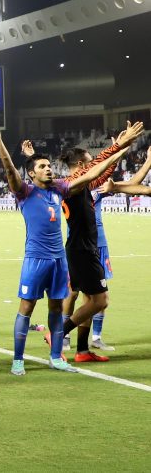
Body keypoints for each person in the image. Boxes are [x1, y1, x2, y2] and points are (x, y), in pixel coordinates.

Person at [0, 117, 133, 376]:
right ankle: (18, 359)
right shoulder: (24, 192)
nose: (48, 169)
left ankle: (56, 356)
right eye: (42, 166)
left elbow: (91, 173)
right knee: (27, 308)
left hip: (59, 260)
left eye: (49, 165)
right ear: (32, 174)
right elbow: (9, 168)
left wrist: (120, 149)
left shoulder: (60, 189)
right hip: (36, 259)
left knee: (56, 308)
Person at [93, 145, 151, 350]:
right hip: (79, 246)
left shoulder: (98, 187)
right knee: (74, 293)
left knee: (101, 297)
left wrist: (149, 161)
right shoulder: (73, 187)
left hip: (100, 246)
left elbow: (135, 185)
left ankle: (94, 338)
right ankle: (63, 336)